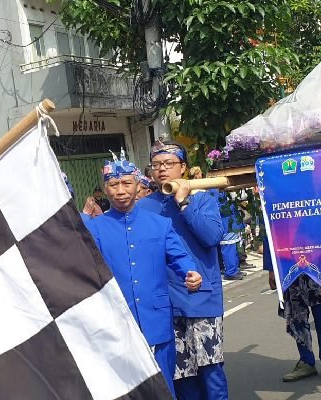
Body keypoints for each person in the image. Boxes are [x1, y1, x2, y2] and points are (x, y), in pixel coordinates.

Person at [85, 157, 203, 396]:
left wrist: (191, 273)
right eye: (113, 184)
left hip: (156, 321)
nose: (120, 191)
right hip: (115, 323)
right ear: (105, 188)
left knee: (163, 386)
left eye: (126, 183)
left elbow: (180, 258)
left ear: (138, 184)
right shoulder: (94, 228)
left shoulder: (160, 224)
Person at [137, 141, 228, 399]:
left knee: (211, 374)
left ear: (183, 167)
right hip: (166, 304)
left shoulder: (203, 199)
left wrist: (184, 203)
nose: (161, 169)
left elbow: (211, 237)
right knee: (181, 377)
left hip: (202, 300)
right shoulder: (144, 207)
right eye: (156, 165)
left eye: (168, 164)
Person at [261, 232, 321, 383]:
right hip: (288, 265)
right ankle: (306, 361)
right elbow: (269, 227)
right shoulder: (273, 206)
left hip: (317, 263)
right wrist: (271, 267)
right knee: (297, 318)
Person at [219, 192, 245, 281]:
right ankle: (230, 272)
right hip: (227, 224)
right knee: (229, 249)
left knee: (235, 248)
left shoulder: (224, 192)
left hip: (234, 223)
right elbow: (221, 209)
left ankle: (235, 270)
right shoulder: (214, 192)